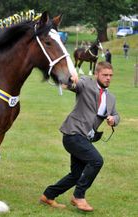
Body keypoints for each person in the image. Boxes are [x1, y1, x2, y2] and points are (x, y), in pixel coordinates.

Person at [39, 61, 120, 212]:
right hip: (73, 133)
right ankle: (79, 196)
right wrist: (69, 81)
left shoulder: (111, 98)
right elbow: (74, 85)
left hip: (84, 137)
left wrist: (113, 120)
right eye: (105, 75)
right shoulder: (86, 83)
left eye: (110, 75)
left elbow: (116, 114)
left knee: (76, 175)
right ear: (96, 74)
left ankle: (48, 195)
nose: (108, 78)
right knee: (96, 161)